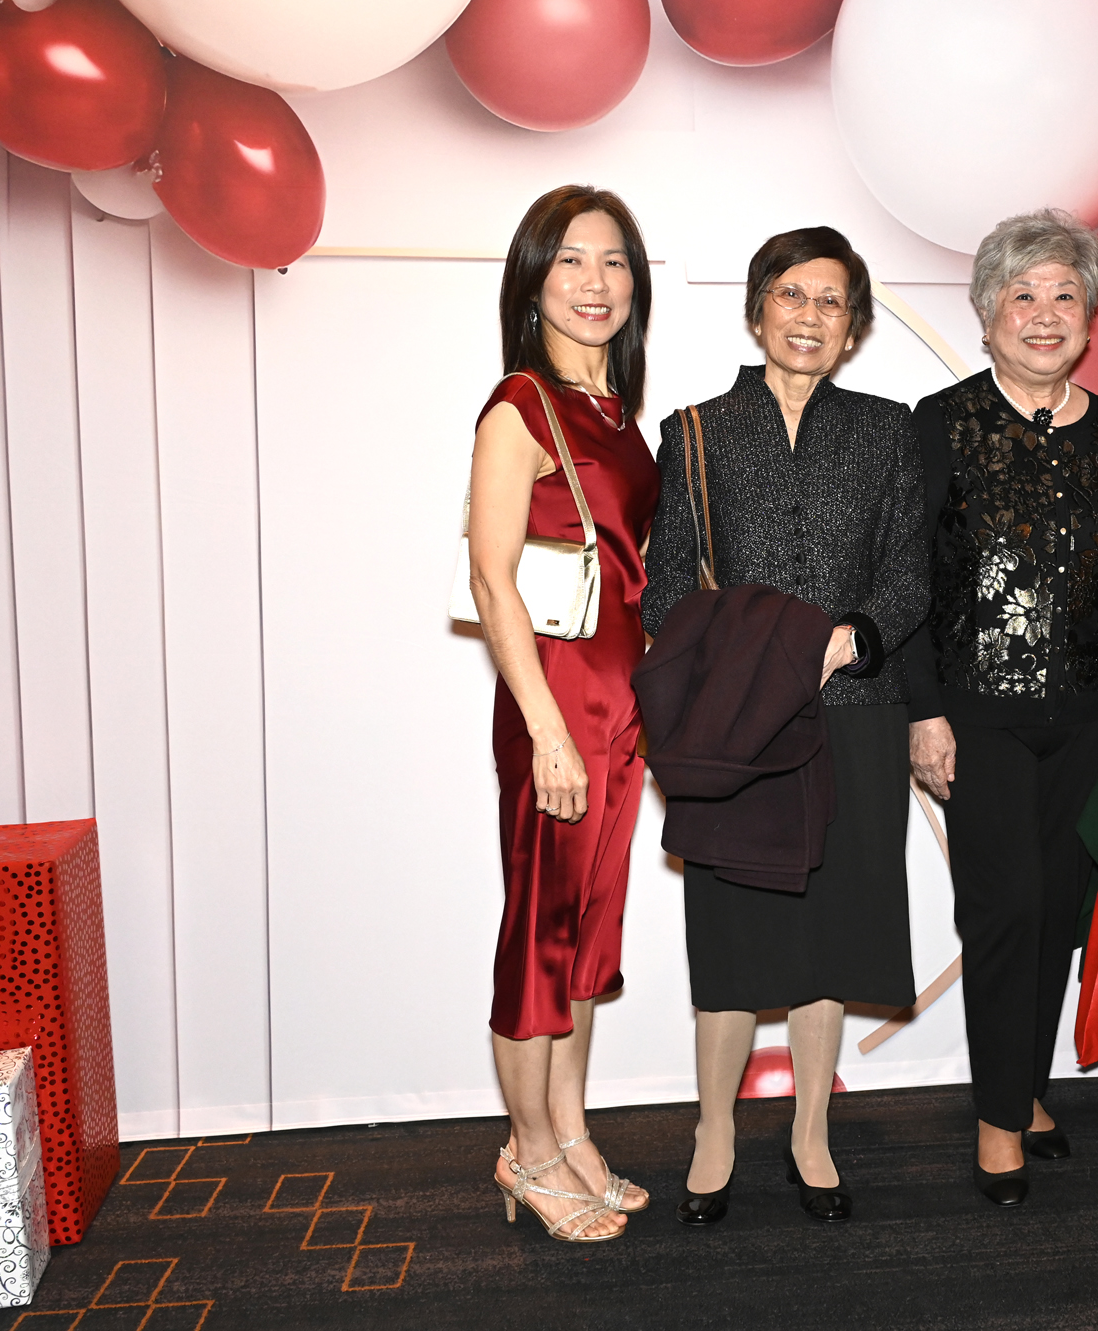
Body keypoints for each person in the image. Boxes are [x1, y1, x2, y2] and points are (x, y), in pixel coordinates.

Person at [641, 226, 926, 1227]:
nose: (810, 316)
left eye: (831, 301)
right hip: (739, 725)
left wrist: (852, 639)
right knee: (732, 935)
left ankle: (811, 1131)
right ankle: (713, 1130)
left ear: (853, 327)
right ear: (758, 308)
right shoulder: (695, 432)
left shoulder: (888, 431)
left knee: (830, 934)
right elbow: (665, 586)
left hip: (856, 716)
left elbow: (909, 573)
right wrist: (748, 660)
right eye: (792, 294)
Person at [906, 210, 1098, 1208]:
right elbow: (906, 579)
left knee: (1055, 917)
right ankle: (999, 1119)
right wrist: (922, 711)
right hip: (976, 716)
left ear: (1089, 313)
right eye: (1022, 294)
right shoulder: (940, 422)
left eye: (1063, 294)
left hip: (1090, 718)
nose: (1044, 315)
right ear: (988, 312)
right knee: (1005, 910)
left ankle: (1024, 1085)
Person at [469, 186, 658, 1242]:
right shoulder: (520, 406)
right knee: (539, 935)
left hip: (620, 712)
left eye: (614, 261)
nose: (595, 282)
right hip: (556, 707)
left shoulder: (616, 413)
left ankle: (571, 1129)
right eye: (572, 260)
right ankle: (527, 1148)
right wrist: (545, 730)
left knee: (589, 937)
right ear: (533, 279)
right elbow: (492, 579)